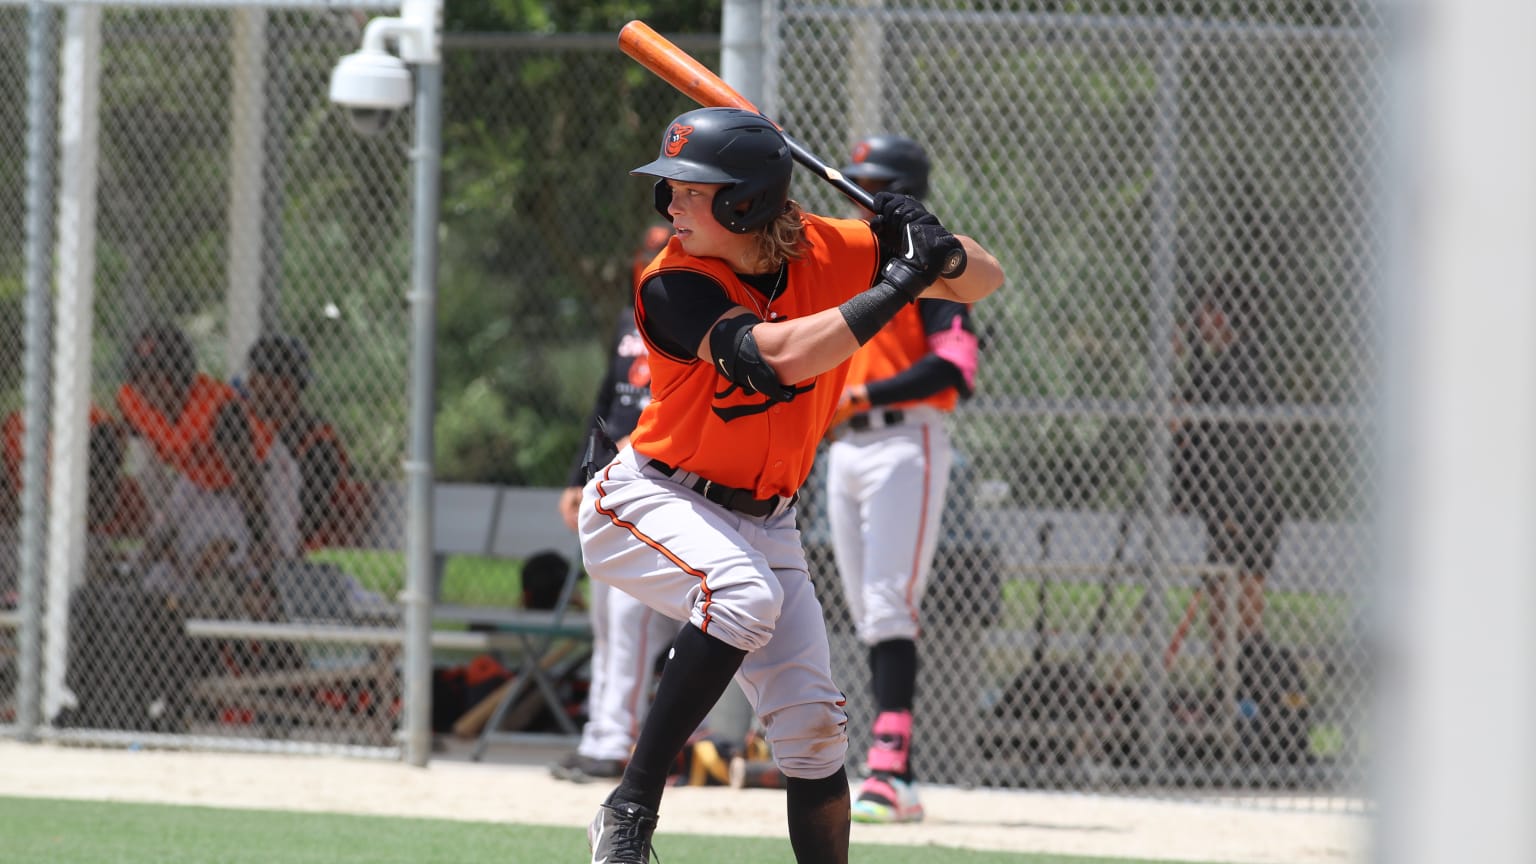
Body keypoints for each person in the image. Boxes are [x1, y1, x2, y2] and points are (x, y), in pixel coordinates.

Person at [576, 107, 1003, 864]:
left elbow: (985, 278)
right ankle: (630, 807)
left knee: (812, 734)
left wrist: (931, 242)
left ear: (745, 202)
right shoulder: (672, 281)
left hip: (765, 520)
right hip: (650, 496)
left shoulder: (832, 249)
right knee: (743, 597)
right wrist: (901, 280)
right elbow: (776, 359)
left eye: (691, 188)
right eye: (669, 187)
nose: (671, 203)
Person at [822, 134, 980, 824]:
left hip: (904, 444)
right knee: (865, 609)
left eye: (875, 185)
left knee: (889, 603)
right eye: (857, 183)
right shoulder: (846, 262)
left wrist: (864, 396)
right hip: (844, 453)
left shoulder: (934, 262)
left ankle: (889, 771)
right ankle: (897, 772)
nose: (862, 197)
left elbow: (957, 368)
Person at [550, 224, 685, 784]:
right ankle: (601, 734)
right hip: (613, 478)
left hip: (660, 476)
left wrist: (642, 442)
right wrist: (578, 476)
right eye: (648, 248)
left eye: (663, 247)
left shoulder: (690, 312)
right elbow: (606, 402)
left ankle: (618, 740)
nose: (652, 257)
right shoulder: (631, 318)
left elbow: (684, 400)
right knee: (608, 618)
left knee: (631, 616)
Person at [116, 321, 294, 614]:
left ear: (183, 375)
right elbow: (147, 467)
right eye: (142, 377)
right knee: (158, 554)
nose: (150, 387)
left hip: (264, 470)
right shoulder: (135, 403)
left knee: (273, 564)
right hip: (200, 473)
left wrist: (256, 550)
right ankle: (131, 579)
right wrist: (162, 534)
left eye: (161, 376)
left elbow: (249, 483)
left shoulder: (218, 410)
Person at [1172, 277, 1279, 662]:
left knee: (1235, 618)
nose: (1197, 322)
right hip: (1235, 505)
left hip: (1242, 507)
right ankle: (1231, 695)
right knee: (1225, 616)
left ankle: (1242, 695)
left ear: (1220, 317)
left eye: (1203, 313)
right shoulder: (1230, 367)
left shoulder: (1235, 371)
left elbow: (1230, 444)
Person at [242, 334, 370, 551]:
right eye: (254, 379)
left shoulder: (318, 442)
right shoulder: (243, 431)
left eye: (261, 380)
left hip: (293, 556)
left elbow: (308, 520)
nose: (252, 388)